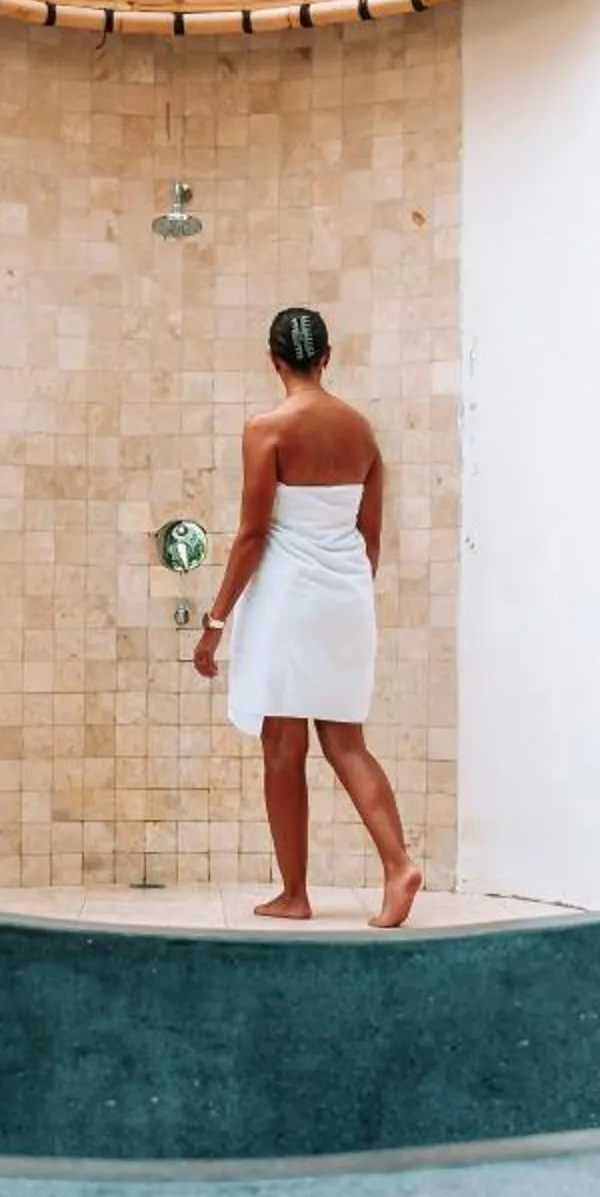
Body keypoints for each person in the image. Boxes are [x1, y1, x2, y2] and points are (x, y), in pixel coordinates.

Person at [192, 306, 421, 929]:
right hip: (345, 597)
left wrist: (216, 622)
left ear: (274, 361)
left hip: (288, 601)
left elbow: (251, 535)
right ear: (327, 357)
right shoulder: (362, 433)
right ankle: (399, 865)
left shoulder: (267, 429)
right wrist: (342, 599)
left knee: (282, 744)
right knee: (345, 740)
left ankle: (294, 894)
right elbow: (369, 538)